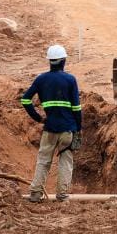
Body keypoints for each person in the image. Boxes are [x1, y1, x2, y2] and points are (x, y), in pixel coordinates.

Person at [20, 45, 82, 202]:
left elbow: (25, 99)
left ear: (50, 62)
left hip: (50, 128)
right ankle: (62, 195)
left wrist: (38, 118)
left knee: (43, 161)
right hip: (68, 128)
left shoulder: (41, 79)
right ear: (64, 61)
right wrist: (78, 128)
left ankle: (35, 194)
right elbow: (76, 107)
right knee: (65, 162)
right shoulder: (70, 80)